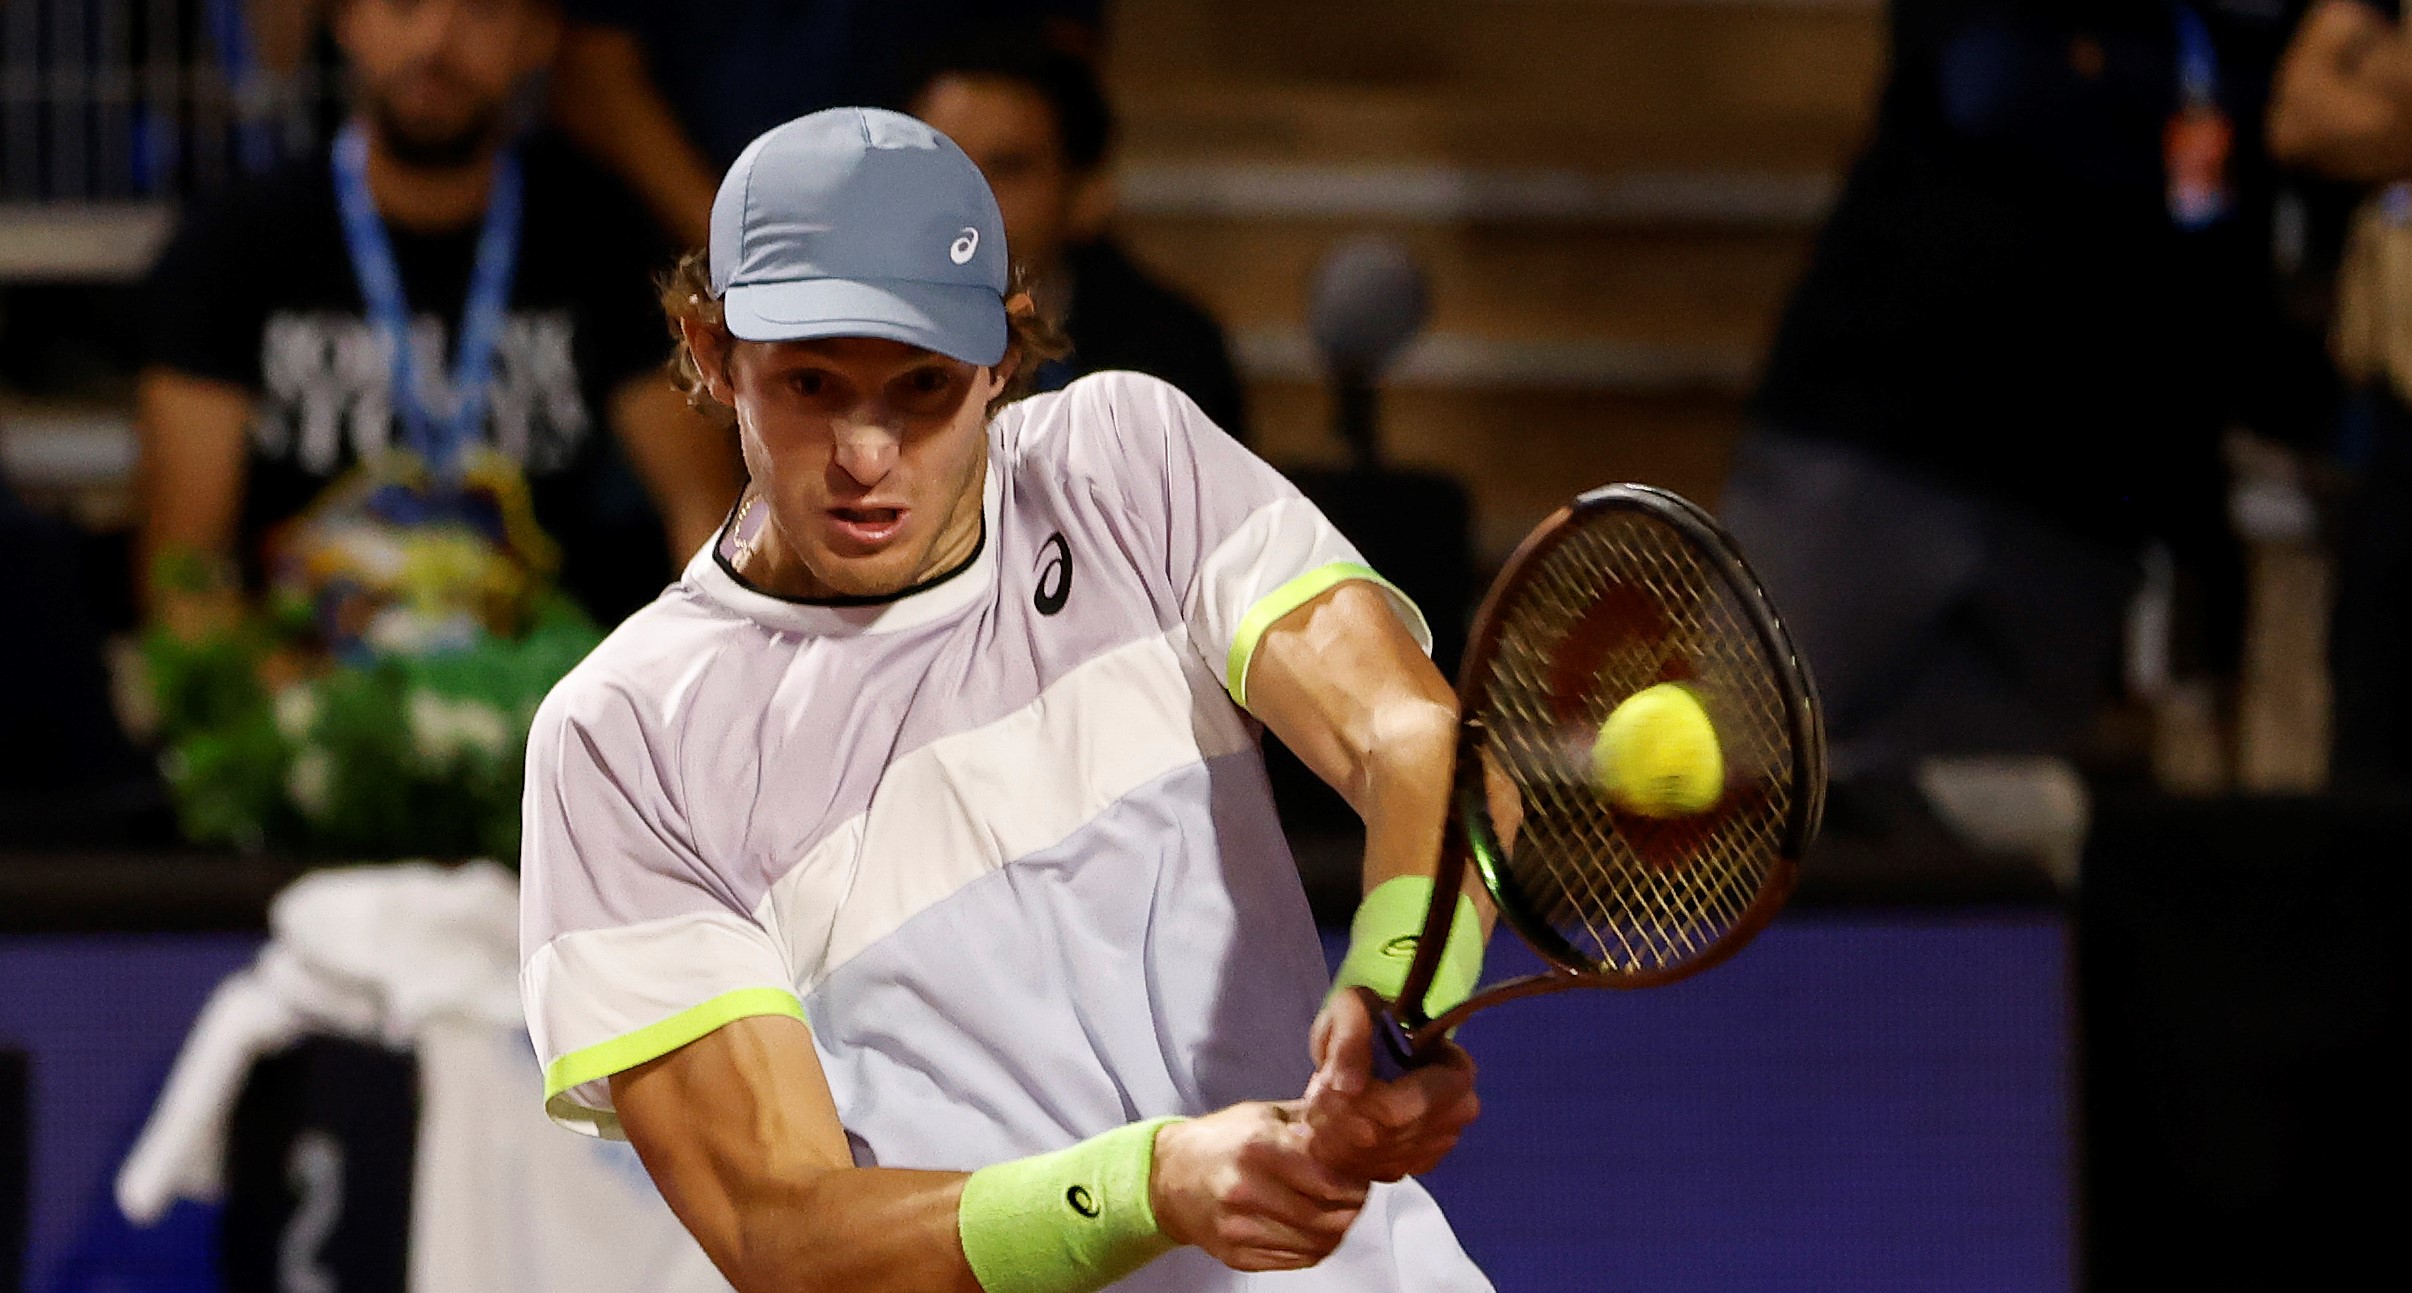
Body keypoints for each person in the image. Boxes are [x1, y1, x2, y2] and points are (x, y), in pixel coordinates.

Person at [518, 108, 1495, 1291]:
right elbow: (783, 1230)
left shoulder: (1131, 463)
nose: (866, 453)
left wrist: (1397, 983)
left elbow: (1413, 739)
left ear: (1004, 356)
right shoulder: (624, 738)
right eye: (812, 383)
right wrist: (1152, 1186)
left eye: (921, 386)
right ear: (712, 353)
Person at [1726, 0, 2384, 791]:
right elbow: (1997, 85)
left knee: (1984, 878)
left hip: (2082, 508)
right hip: (1875, 449)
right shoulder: (2250, 68)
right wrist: (2253, 115)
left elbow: (2331, 147)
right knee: (1732, 804)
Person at [138, 0, 739, 633]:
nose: (437, 42)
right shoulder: (230, 247)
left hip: (543, 686)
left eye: (481, 13)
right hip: (301, 689)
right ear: (347, 21)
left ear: (538, 39)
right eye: (404, 6)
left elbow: (703, 518)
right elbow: (184, 568)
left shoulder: (606, 240)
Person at [901, 25, 1250, 440]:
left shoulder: (1168, 360)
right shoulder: (843, 339)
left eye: (1007, 168)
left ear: (1087, 194)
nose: (967, 198)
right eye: (942, 162)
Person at [548, 0, 1104, 249]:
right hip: (686, 251)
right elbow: (594, 74)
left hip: (936, 251)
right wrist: (746, 249)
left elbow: (1053, 72)